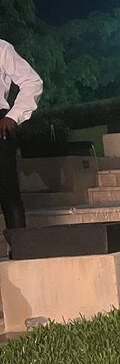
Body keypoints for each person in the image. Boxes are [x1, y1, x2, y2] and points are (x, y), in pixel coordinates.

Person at [0, 38, 43, 234]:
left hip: (1, 125)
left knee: (7, 190)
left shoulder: (2, 48)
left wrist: (13, 116)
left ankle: (19, 246)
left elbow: (32, 81)